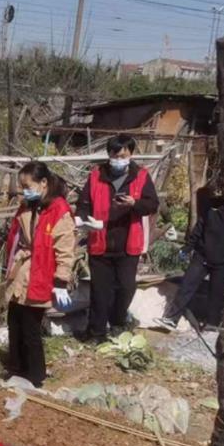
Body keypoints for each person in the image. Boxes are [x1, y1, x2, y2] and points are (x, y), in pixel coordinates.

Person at [75, 134, 160, 341]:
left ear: (131, 154)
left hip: (128, 242)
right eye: (115, 154)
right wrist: (84, 219)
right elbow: (84, 203)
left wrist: (134, 204)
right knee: (100, 291)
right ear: (109, 154)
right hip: (100, 241)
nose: (119, 158)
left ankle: (117, 321)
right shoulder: (96, 175)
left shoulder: (141, 176)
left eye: (124, 155)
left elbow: (152, 205)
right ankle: (96, 331)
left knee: (126, 287)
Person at [1, 162, 77, 387]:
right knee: (14, 318)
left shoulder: (59, 210)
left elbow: (65, 249)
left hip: (42, 271)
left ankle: (35, 374)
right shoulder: (28, 205)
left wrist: (60, 281)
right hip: (23, 269)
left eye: (28, 185)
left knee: (30, 326)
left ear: (43, 183)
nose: (25, 190)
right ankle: (17, 366)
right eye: (23, 186)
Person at [155, 184, 224, 332]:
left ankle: (212, 324)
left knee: (216, 293)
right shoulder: (208, 211)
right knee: (187, 286)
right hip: (202, 256)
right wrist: (187, 249)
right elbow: (198, 231)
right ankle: (172, 318)